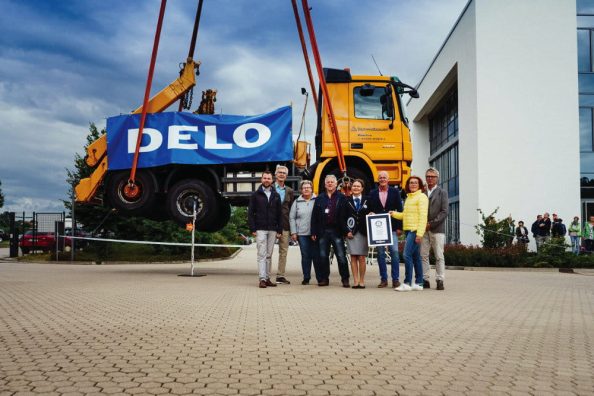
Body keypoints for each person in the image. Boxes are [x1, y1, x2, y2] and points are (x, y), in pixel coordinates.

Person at [311, 174, 350, 287]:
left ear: (336, 184)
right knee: (323, 256)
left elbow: (346, 215)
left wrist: (346, 230)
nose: (330, 184)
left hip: (337, 231)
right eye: (328, 182)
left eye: (332, 182)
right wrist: (313, 231)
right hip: (323, 231)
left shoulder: (342, 197)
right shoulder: (320, 198)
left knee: (341, 256)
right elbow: (314, 216)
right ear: (325, 184)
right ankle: (324, 279)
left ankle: (345, 279)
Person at [390, 176, 429, 291]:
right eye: (411, 183)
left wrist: (420, 234)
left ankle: (407, 283)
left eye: (415, 183)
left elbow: (423, 217)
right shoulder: (409, 198)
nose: (413, 184)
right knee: (416, 257)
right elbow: (404, 215)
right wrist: (393, 214)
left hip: (415, 230)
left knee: (406, 255)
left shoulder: (422, 197)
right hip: (408, 230)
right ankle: (419, 283)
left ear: (420, 185)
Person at [368, 171, 403, 288]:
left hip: (392, 228)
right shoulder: (372, 193)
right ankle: (383, 279)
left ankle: (395, 279)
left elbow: (400, 209)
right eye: (380, 177)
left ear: (388, 180)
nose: (382, 179)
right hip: (378, 229)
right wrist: (371, 212)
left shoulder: (395, 192)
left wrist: (399, 227)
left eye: (384, 177)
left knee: (395, 253)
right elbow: (369, 208)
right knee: (381, 254)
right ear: (378, 180)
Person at [248, 171, 282, 288]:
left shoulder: (276, 195)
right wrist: (253, 228)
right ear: (261, 179)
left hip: (273, 229)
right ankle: (262, 279)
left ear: (272, 180)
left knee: (269, 255)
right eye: (265, 178)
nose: (267, 180)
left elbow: (279, 214)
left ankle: (267, 278)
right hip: (260, 228)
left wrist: (279, 230)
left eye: (269, 178)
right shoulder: (255, 195)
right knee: (261, 254)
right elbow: (250, 213)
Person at [420, 167, 448, 291]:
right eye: (428, 176)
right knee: (424, 255)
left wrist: (431, 224)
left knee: (439, 255)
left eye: (432, 176)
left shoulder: (442, 192)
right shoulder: (422, 193)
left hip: (437, 229)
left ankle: (440, 279)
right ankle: (425, 279)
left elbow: (444, 212)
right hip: (423, 229)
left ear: (437, 178)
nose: (430, 178)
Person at [342, 179, 370, 289]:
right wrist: (346, 231)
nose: (356, 188)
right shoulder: (346, 200)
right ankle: (355, 281)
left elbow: (372, 214)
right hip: (351, 233)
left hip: (363, 232)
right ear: (351, 188)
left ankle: (362, 281)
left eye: (358, 186)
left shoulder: (368, 200)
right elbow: (342, 218)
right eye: (354, 186)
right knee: (353, 257)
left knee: (362, 257)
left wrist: (372, 213)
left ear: (362, 188)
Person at [289, 180, 318, 285]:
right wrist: (293, 232)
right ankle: (306, 277)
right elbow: (292, 218)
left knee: (316, 255)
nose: (306, 189)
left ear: (312, 189)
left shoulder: (317, 200)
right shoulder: (297, 202)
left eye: (308, 187)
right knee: (305, 256)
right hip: (302, 234)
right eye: (304, 188)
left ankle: (320, 278)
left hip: (315, 233)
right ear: (301, 190)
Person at [273, 165, 294, 284]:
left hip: (285, 225)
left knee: (283, 252)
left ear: (286, 176)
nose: (281, 174)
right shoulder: (269, 189)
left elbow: (290, 208)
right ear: (275, 174)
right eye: (279, 172)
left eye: (284, 173)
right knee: (268, 252)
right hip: (271, 225)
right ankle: (265, 276)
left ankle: (280, 276)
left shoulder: (289, 191)